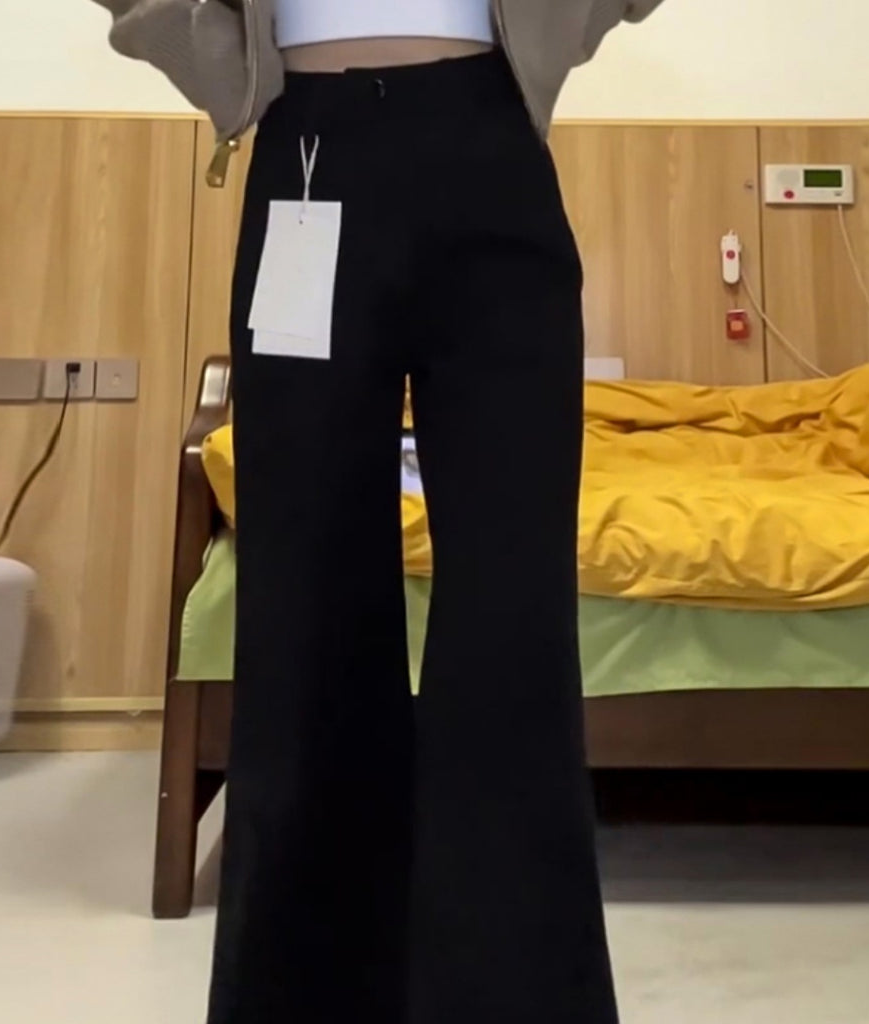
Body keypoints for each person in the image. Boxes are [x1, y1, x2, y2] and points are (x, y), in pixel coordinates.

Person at [92, 2, 665, 1021]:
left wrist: (555, 27)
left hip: (492, 149)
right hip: (306, 154)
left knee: (512, 620)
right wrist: (210, 54)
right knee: (303, 605)